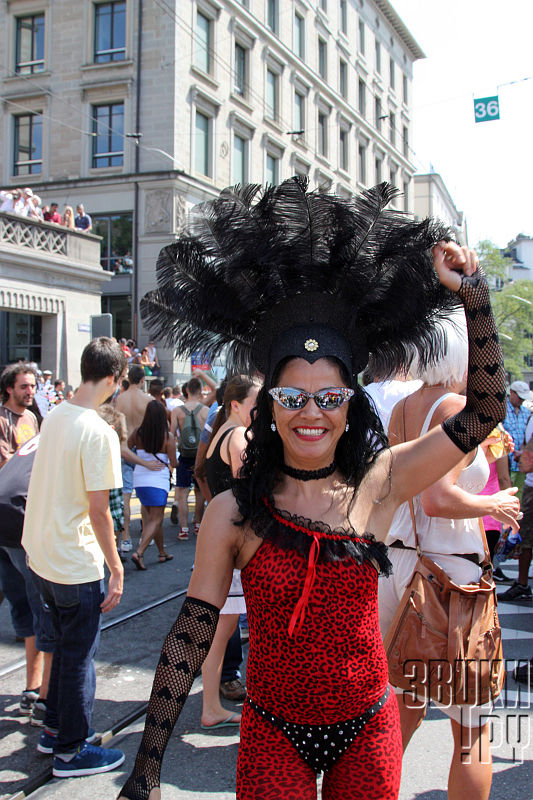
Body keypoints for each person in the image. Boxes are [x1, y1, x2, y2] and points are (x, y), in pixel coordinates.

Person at [118, 179, 507, 800]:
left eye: (330, 398)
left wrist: (473, 296)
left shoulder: (381, 485)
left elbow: (483, 412)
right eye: (292, 397)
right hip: (272, 731)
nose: (312, 414)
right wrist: (146, 769)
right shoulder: (233, 513)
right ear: (269, 407)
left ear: (349, 406)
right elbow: (191, 633)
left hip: (367, 726)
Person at [379, 312, 520, 800]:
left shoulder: (401, 409)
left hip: (400, 565)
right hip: (450, 576)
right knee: (472, 728)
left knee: (403, 706)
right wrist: (494, 504)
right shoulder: (454, 405)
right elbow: (438, 497)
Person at [22, 336, 126, 778]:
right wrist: (117, 568)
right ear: (113, 380)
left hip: (41, 553)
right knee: (80, 656)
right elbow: (100, 511)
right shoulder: (98, 430)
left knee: (64, 648)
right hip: (73, 560)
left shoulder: (56, 414)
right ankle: (71, 750)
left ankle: (52, 730)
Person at [199, 375, 261, 728]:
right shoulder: (237, 435)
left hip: (220, 537)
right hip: (233, 543)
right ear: (236, 404)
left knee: (220, 631)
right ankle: (210, 708)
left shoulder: (219, 434)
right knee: (220, 633)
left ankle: (211, 705)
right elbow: (247, 486)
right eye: (255, 402)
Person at [0, 364, 42, 716]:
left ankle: (33, 685)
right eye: (24, 386)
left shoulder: (33, 417)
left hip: (20, 520)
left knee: (26, 601)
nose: (30, 391)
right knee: (29, 600)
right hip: (9, 519)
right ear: (9, 389)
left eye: (32, 385)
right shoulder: (2, 419)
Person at [128, 401, 177, 570]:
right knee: (156, 520)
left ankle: (162, 552)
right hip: (158, 481)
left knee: (152, 520)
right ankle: (139, 552)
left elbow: (127, 450)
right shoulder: (168, 437)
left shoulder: (137, 433)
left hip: (140, 479)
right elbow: (173, 462)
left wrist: (142, 460)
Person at [116, 365, 153, 552]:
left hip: (123, 448)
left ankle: (125, 537)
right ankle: (147, 533)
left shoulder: (118, 400)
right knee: (145, 496)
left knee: (125, 497)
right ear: (141, 381)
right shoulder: (148, 400)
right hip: (142, 448)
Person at [498, 410, 533, 602]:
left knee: (525, 537)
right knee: (525, 538)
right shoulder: (530, 417)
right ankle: (522, 584)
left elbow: (527, 463)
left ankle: (522, 584)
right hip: (530, 485)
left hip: (530, 484)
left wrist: (524, 457)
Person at [170, 377, 208, 539]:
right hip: (200, 456)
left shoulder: (177, 411)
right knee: (199, 492)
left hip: (184, 456)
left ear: (186, 391)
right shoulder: (205, 411)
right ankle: (198, 524)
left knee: (183, 493)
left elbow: (171, 435)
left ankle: (184, 528)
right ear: (200, 391)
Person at [503, 380, 532, 497]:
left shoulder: (526, 412)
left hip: (521, 460)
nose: (521, 401)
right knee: (505, 489)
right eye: (519, 397)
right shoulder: (502, 410)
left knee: (519, 492)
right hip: (506, 460)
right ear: (512, 393)